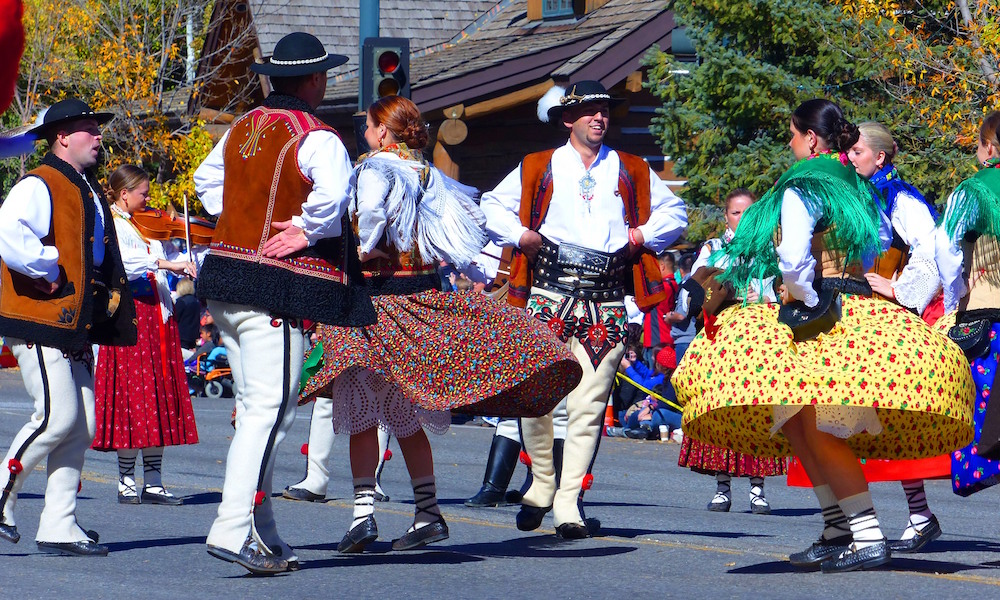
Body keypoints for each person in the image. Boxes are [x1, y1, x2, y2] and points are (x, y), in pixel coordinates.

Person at [673, 98, 973, 573]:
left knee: (818, 425)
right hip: (855, 308)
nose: (790, 145)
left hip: (824, 312)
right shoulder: (859, 180)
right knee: (797, 420)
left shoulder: (806, 183)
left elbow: (793, 256)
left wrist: (802, 298)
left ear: (810, 139)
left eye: (792, 136)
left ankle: (868, 534)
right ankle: (837, 529)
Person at [299, 95, 582, 553]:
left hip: (372, 303)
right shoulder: (428, 172)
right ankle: (427, 513)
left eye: (370, 126)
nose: (366, 134)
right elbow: (461, 233)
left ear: (383, 131)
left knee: (360, 413)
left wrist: (365, 247)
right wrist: (479, 273)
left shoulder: (374, 168)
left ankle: (363, 516)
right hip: (419, 302)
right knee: (403, 412)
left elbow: (369, 218)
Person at [193, 32, 376, 575]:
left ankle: (262, 529)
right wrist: (303, 228)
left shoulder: (243, 127)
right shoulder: (316, 135)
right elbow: (335, 196)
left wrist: (239, 222)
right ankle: (231, 528)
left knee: (256, 412)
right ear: (315, 79)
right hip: (275, 289)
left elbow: (208, 182)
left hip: (227, 280)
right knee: (269, 415)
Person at [481, 80, 687, 539]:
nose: (600, 118)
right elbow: (490, 205)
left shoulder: (632, 167)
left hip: (608, 298)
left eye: (605, 111)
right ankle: (541, 484)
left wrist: (641, 236)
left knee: (589, 407)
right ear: (568, 119)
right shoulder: (538, 165)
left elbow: (676, 213)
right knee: (537, 397)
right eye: (590, 111)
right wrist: (522, 236)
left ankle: (568, 502)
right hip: (548, 294)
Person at [0, 98, 137, 556]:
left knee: (81, 425)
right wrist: (48, 267)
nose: (98, 137)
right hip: (40, 315)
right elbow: (7, 231)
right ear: (62, 136)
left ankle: (59, 523)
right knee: (56, 418)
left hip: (73, 317)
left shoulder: (86, 187)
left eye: (99, 129)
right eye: (88, 129)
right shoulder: (41, 183)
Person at [92, 165, 199, 506]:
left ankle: (153, 480)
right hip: (130, 316)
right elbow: (123, 262)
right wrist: (166, 264)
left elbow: (168, 257)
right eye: (143, 193)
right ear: (124, 193)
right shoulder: (110, 222)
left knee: (157, 394)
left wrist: (186, 258)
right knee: (129, 396)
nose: (149, 198)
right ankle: (125, 479)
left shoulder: (151, 225)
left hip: (158, 313)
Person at [677, 189, 784, 515]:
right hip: (721, 337)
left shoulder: (769, 250)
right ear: (726, 216)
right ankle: (722, 486)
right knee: (720, 407)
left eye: (749, 212)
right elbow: (687, 298)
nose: (743, 219)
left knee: (758, 409)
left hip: (760, 337)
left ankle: (757, 488)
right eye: (736, 213)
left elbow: (783, 293)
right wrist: (714, 290)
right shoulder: (713, 249)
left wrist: (766, 294)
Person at [937, 112, 1000, 501]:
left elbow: (945, 249)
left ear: (989, 148)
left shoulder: (973, 190)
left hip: (987, 317)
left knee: (989, 419)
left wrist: (959, 289)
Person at [641, 252, 678, 366]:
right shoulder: (675, 284)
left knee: (656, 376)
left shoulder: (662, 287)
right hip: (666, 336)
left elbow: (643, 305)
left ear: (662, 265)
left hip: (657, 338)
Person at [174, 278, 201, 360]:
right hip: (193, 334)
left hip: (181, 334)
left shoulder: (181, 302)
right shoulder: (196, 301)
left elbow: (175, 317)